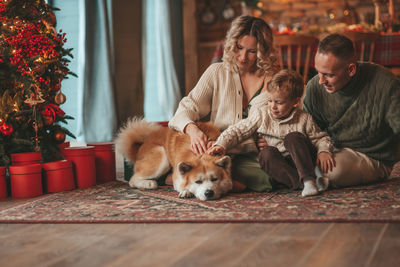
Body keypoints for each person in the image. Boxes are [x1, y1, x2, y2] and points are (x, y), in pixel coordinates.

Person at [168, 15, 278, 192]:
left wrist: (271, 138)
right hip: (216, 153)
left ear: (262, 52)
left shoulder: (272, 80)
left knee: (271, 176)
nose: (242, 57)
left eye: (251, 51)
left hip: (253, 155)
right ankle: (222, 182)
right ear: (231, 44)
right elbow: (185, 109)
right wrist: (192, 130)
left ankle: (191, 179)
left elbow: (286, 117)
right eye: (239, 48)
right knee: (265, 180)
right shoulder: (216, 72)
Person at [207, 69, 335, 197]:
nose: (273, 106)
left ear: (295, 102)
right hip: (280, 165)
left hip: (302, 160)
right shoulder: (262, 114)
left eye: (279, 102)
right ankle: (304, 184)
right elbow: (237, 130)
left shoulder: (304, 118)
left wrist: (323, 151)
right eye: (270, 100)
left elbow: (321, 138)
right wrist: (221, 144)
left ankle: (308, 179)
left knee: (292, 138)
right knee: (266, 153)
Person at [303, 33, 400, 188]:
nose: (321, 81)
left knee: (331, 171)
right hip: (328, 148)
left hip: (372, 156)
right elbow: (307, 128)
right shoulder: (315, 86)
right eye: (318, 72)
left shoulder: (386, 85)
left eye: (329, 75)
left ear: (351, 69)